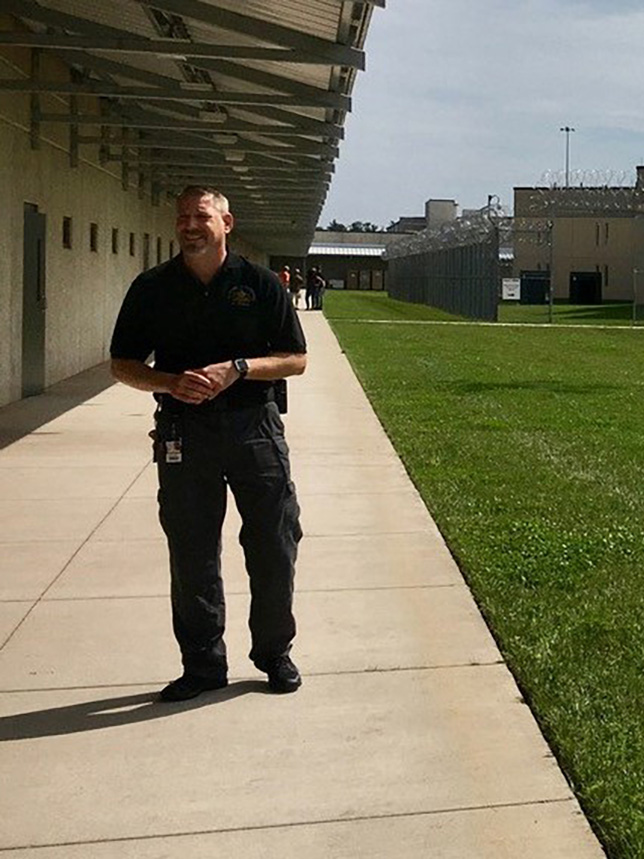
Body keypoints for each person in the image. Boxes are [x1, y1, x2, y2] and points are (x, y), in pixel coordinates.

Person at [110, 185, 307, 702]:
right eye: (182, 217)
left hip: (254, 430)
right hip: (184, 432)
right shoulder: (152, 288)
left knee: (273, 545)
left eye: (200, 216)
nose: (189, 225)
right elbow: (123, 364)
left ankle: (274, 654)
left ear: (226, 223)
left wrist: (239, 369)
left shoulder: (260, 284)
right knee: (192, 550)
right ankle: (201, 665)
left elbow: (296, 358)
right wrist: (169, 382)